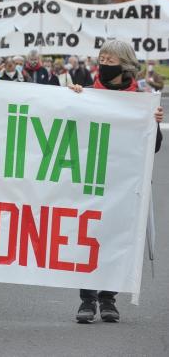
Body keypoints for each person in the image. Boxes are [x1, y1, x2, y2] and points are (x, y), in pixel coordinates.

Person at [69, 40, 163, 324]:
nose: (104, 63)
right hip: (91, 179)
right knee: (87, 236)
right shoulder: (86, 93)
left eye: (110, 59)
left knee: (117, 238)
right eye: (101, 58)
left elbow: (154, 147)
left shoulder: (142, 100)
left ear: (124, 64)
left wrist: (154, 122)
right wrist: (71, 100)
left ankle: (109, 297)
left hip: (124, 184)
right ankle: (87, 298)